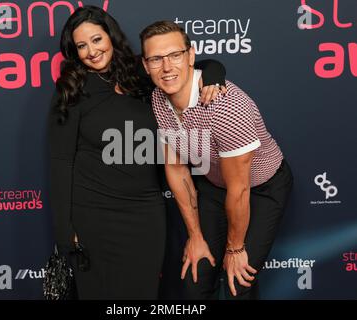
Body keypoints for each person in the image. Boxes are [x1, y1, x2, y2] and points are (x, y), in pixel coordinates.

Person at [48, 6, 226, 299]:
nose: (92, 51)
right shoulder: (70, 90)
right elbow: (60, 162)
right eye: (82, 45)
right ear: (74, 51)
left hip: (145, 213)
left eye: (96, 39)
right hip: (94, 216)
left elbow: (206, 65)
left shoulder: (140, 73)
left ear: (110, 36)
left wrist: (215, 78)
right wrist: (65, 231)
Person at [140, 20, 293, 300]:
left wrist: (235, 250)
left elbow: (240, 189)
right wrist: (195, 236)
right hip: (213, 184)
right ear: (145, 64)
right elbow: (176, 169)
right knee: (196, 278)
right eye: (156, 59)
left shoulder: (226, 108)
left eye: (175, 55)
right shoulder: (158, 99)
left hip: (261, 188)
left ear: (191, 55)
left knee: (238, 282)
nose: (166, 67)